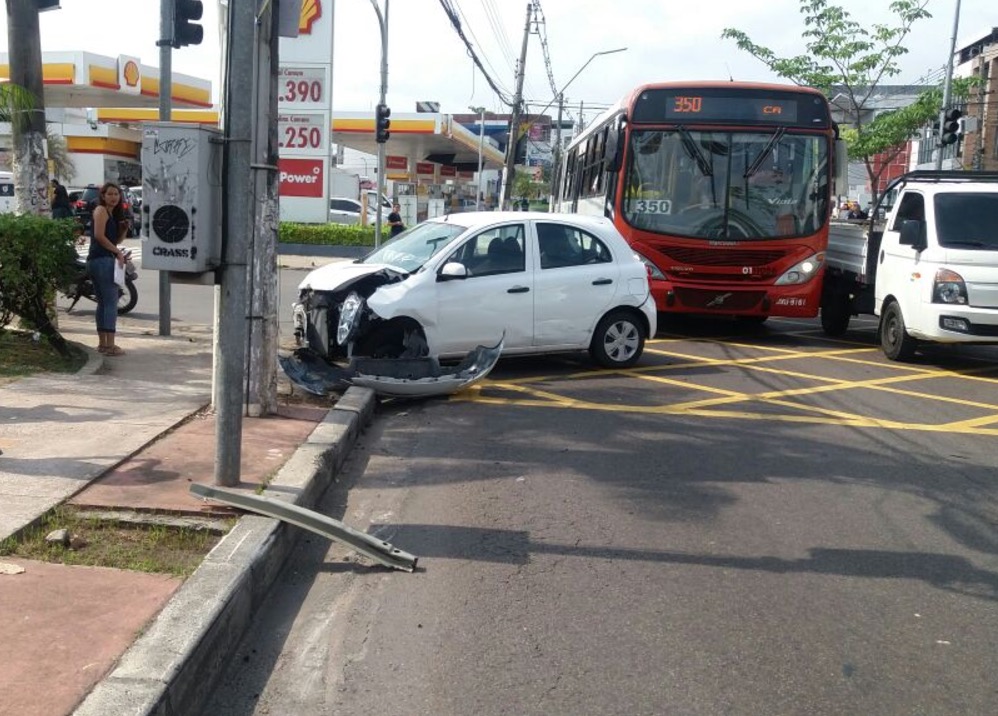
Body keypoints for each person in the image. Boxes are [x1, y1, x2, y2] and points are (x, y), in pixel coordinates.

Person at [85, 182, 129, 356]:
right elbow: (99, 236)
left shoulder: (111, 214)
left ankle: (104, 344)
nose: (113, 197)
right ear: (103, 196)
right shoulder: (101, 210)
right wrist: (118, 253)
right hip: (102, 261)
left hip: (100, 260)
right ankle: (109, 345)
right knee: (110, 303)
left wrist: (123, 230)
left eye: (116, 194)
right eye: (110, 194)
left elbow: (114, 240)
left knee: (103, 303)